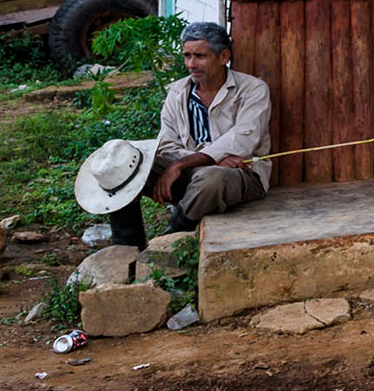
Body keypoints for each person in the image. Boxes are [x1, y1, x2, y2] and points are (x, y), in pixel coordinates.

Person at [90, 21, 273, 248]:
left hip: (240, 175)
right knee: (122, 165)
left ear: (224, 56)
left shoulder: (252, 90)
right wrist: (204, 161)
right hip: (192, 172)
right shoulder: (177, 92)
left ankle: (168, 243)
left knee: (212, 178)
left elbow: (244, 140)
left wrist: (181, 165)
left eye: (200, 56)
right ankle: (127, 247)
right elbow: (167, 144)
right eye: (187, 56)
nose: (191, 64)